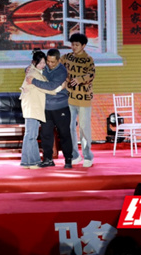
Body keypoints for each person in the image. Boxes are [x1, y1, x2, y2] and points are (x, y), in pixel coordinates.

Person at [27, 49, 73, 169]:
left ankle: (68, 159)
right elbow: (34, 68)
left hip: (60, 107)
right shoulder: (45, 66)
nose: (49, 64)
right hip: (46, 108)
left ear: (58, 60)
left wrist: (34, 81)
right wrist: (28, 69)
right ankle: (48, 159)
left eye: (53, 62)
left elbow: (51, 86)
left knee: (64, 134)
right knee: (46, 134)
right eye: (48, 61)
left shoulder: (62, 71)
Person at [19, 50, 62, 169]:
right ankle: (32, 162)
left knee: (30, 135)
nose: (43, 65)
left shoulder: (35, 71)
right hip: (32, 107)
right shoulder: (34, 73)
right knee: (31, 135)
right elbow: (46, 87)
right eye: (41, 63)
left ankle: (27, 162)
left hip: (32, 107)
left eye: (44, 62)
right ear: (34, 62)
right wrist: (59, 88)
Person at [61, 33, 95, 167]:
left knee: (84, 128)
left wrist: (80, 79)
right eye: (72, 44)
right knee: (69, 127)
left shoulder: (88, 60)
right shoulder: (67, 57)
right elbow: (56, 65)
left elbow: (91, 74)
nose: (73, 47)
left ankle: (88, 156)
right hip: (69, 98)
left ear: (83, 45)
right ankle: (75, 155)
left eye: (76, 45)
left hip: (84, 98)